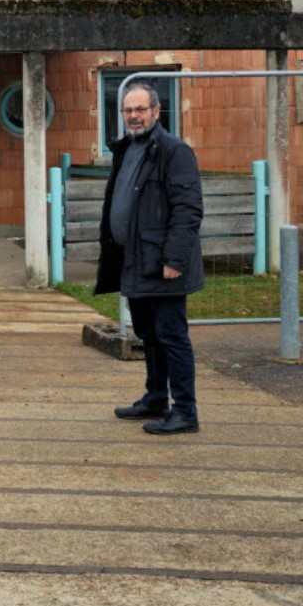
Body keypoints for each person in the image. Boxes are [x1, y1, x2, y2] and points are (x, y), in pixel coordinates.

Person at [95, 82, 204, 435]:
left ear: (156, 111)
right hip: (136, 260)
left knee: (171, 335)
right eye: (128, 110)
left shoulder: (174, 151)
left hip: (163, 263)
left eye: (141, 109)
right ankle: (156, 399)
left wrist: (175, 260)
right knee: (148, 334)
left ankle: (185, 411)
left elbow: (188, 210)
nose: (134, 115)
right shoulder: (128, 149)